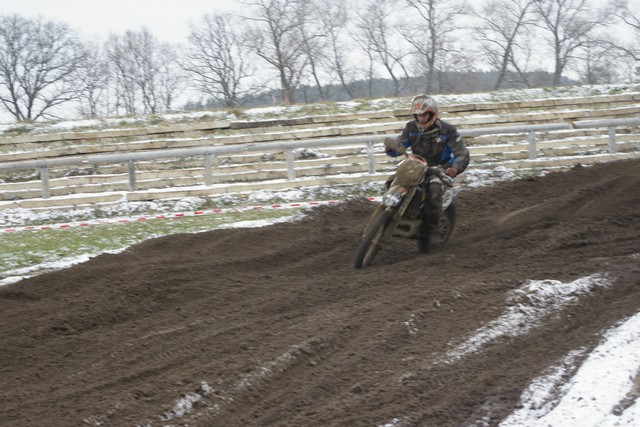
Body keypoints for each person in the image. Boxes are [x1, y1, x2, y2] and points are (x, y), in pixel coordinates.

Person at [384, 94, 470, 234]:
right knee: (392, 180)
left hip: (440, 169)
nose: (421, 119)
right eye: (418, 115)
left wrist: (454, 168)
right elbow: (401, 143)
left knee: (435, 190)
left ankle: (431, 227)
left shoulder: (447, 130)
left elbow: (462, 152)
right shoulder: (411, 127)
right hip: (417, 166)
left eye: (424, 115)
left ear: (432, 115)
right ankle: (392, 211)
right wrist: (392, 149)